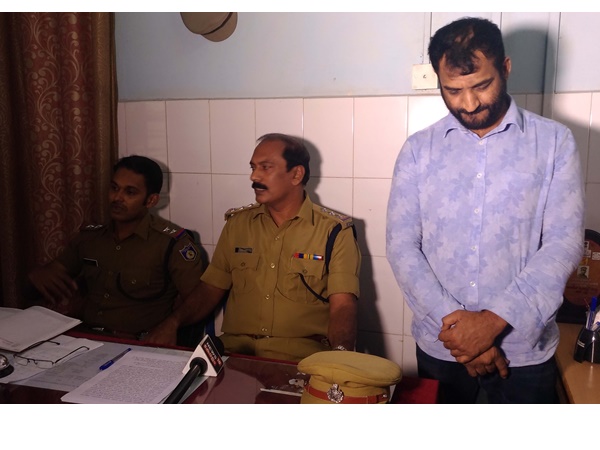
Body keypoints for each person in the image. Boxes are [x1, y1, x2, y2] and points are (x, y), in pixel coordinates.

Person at [386, 17, 584, 403]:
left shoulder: (554, 143)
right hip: (443, 347)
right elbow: (401, 246)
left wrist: (491, 323)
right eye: (453, 90)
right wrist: (462, 333)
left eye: (481, 85)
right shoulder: (418, 150)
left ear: (505, 68)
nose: (470, 103)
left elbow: (563, 243)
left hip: (524, 353)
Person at [149, 133, 361, 362]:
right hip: (234, 353)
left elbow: (343, 306)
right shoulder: (238, 225)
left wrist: (340, 360)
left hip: (299, 358)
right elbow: (210, 288)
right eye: (253, 167)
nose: (254, 176)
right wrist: (172, 323)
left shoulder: (333, 232)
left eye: (265, 167)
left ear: (296, 174)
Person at [28, 155, 204, 341]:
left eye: (130, 192)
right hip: (85, 339)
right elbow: (51, 275)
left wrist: (171, 324)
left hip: (137, 343)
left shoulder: (171, 243)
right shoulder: (90, 238)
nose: (117, 198)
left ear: (151, 200)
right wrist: (39, 275)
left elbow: (199, 301)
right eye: (114, 188)